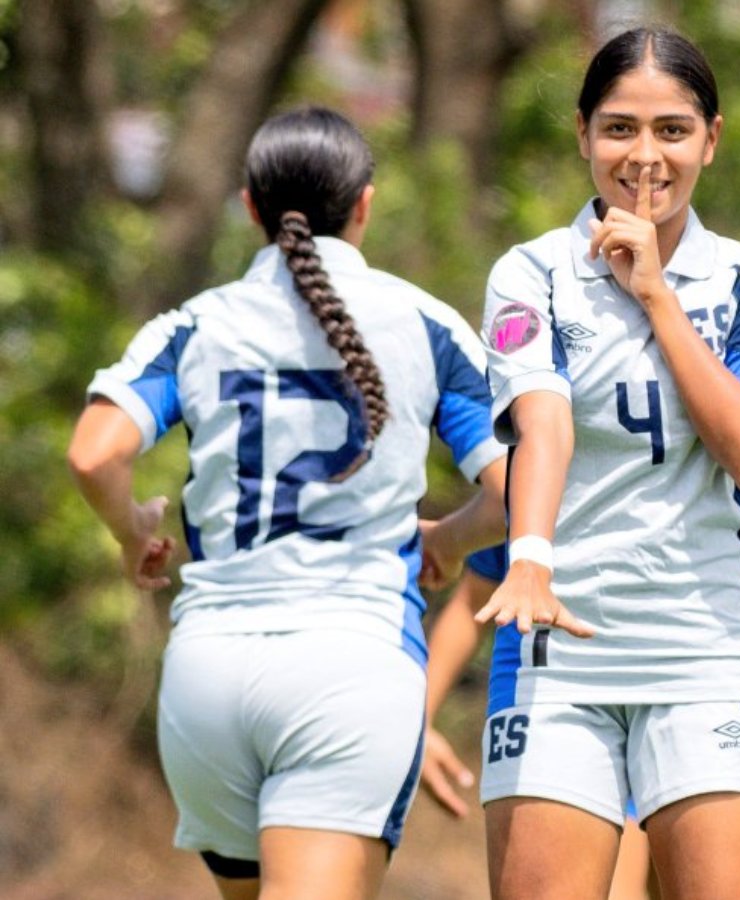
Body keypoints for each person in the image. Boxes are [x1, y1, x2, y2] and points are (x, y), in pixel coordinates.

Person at [66, 106, 507, 900]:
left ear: (249, 207)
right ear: (365, 204)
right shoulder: (423, 323)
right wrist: (450, 537)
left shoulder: (195, 324)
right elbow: (517, 490)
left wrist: (130, 531)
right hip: (350, 663)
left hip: (209, 676)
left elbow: (94, 454)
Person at [473, 26, 740, 899]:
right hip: (557, 649)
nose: (645, 155)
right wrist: (531, 560)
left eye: (672, 129)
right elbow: (542, 426)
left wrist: (656, 292)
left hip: (709, 653)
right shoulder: (530, 273)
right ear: (581, 134)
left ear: (711, 138)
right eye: (620, 128)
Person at [420, 485, 740, 899]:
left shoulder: (723, 454)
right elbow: (472, 601)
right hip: (574, 709)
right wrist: (419, 721)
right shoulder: (540, 446)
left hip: (692, 703)